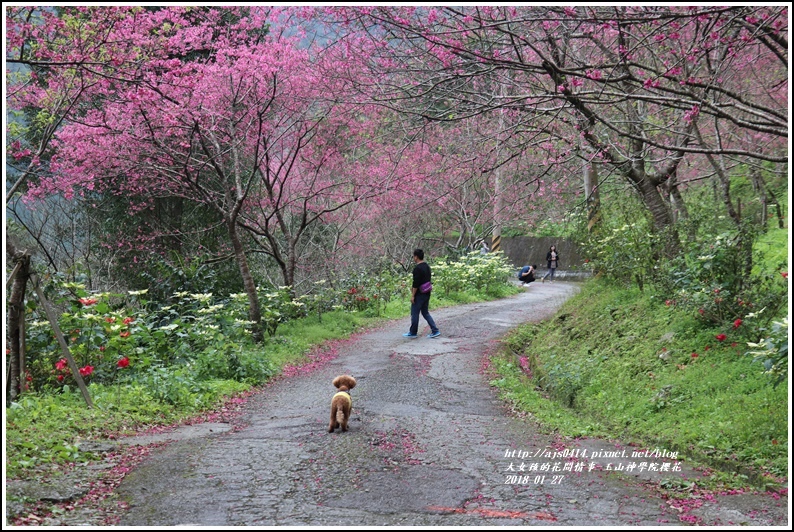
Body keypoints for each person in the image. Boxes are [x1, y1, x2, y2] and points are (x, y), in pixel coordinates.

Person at [403, 249, 441, 339]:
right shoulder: (427, 266)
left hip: (419, 294)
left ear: (416, 256)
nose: (413, 258)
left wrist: (413, 295)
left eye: (413, 256)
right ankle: (435, 330)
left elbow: (415, 283)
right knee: (425, 312)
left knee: (415, 313)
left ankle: (413, 332)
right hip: (427, 292)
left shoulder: (417, 268)